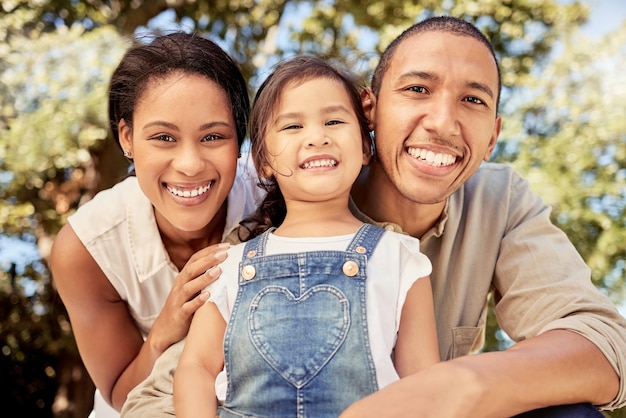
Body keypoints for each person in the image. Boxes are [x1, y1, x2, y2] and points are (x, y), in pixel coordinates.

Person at [121, 16, 626, 418]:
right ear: (370, 110)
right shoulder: (256, 242)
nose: (443, 123)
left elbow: (602, 345)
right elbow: (162, 394)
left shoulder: (498, 200)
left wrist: (466, 383)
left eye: (472, 100)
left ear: (492, 136)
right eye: (417, 89)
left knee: (567, 412)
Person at [173, 55, 440, 418]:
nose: (317, 137)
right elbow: (197, 368)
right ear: (263, 161)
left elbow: (424, 386)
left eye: (333, 121)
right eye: (293, 127)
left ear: (365, 147)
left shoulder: (399, 257)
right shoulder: (231, 264)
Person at [49, 32, 264, 417]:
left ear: (240, 138)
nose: (190, 164)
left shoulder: (274, 195)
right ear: (127, 137)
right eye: (164, 137)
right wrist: (163, 330)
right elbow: (118, 393)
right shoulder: (86, 249)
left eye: (213, 136)